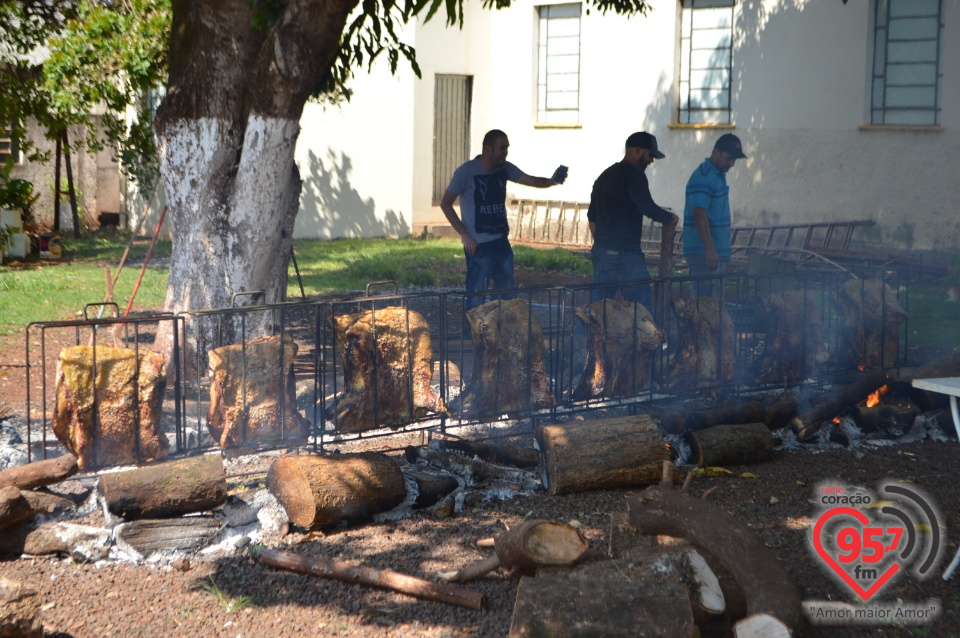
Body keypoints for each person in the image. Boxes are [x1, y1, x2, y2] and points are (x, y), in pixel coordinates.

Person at [440, 129, 567, 312]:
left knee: (506, 298)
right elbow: (445, 203)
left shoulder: (505, 168)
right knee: (477, 300)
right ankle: (472, 338)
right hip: (478, 246)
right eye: (502, 148)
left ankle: (500, 335)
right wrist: (464, 234)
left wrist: (551, 181)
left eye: (507, 147)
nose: (505, 152)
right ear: (488, 149)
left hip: (501, 243)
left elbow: (530, 180)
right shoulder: (465, 172)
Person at [586, 131, 678, 309]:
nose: (651, 161)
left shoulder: (604, 177)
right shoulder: (635, 175)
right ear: (637, 150)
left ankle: (582, 336)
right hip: (628, 255)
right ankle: (644, 337)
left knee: (596, 308)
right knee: (641, 309)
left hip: (604, 254)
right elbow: (647, 207)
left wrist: (601, 245)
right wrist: (670, 218)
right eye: (650, 155)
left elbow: (592, 218)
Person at [682, 133, 747, 296]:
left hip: (713, 255)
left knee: (714, 310)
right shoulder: (703, 177)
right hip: (703, 255)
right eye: (728, 158)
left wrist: (723, 253)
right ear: (715, 153)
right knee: (706, 309)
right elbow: (699, 215)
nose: (731, 164)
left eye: (734, 160)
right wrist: (710, 250)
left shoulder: (717, 175)